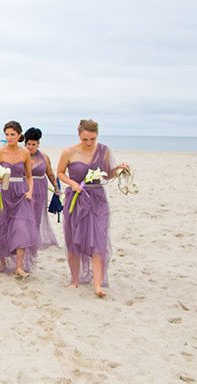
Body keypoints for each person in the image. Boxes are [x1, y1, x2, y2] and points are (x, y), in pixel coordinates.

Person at [57, 119, 127, 298]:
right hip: (76, 199)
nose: (89, 143)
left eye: (92, 139)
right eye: (85, 139)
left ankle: (97, 284)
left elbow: (108, 175)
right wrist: (72, 183)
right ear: (79, 135)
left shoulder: (104, 151)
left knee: (98, 240)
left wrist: (119, 169)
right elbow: (60, 173)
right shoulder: (69, 151)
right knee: (74, 239)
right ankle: (74, 279)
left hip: (97, 199)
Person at [0, 121, 38, 278]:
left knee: (21, 228)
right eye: (7, 134)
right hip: (4, 193)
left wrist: (30, 192)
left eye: (13, 135)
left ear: (19, 135)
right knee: (2, 227)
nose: (9, 138)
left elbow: (29, 177)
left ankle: (19, 266)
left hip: (21, 193)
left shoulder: (24, 153)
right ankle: (2, 261)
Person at [23, 127, 60, 265]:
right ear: (25, 143)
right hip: (25, 188)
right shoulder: (21, 155)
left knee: (36, 217)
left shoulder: (44, 156)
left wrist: (56, 187)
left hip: (40, 189)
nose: (31, 147)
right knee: (25, 217)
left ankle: (33, 242)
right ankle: (24, 241)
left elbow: (50, 173)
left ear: (38, 144)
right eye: (29, 144)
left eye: (34, 144)